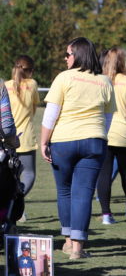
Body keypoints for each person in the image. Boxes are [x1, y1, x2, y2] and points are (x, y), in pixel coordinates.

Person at [38, 37, 115, 259]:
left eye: (68, 54)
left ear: (78, 55)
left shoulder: (64, 78)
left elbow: (51, 114)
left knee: (64, 191)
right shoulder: (105, 81)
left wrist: (44, 142)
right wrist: (100, 137)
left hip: (64, 141)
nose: (65, 58)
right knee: (83, 193)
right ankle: (78, 249)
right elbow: (107, 119)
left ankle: (68, 242)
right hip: (94, 140)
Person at [96, 48, 126, 225]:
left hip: (103, 132)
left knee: (104, 174)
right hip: (125, 133)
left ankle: (106, 214)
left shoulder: (99, 81)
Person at [5, 56, 39, 204]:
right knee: (29, 174)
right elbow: (33, 109)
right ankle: (13, 202)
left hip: (5, 138)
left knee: (8, 176)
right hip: (25, 138)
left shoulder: (5, 85)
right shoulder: (32, 84)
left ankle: (9, 204)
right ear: (30, 71)